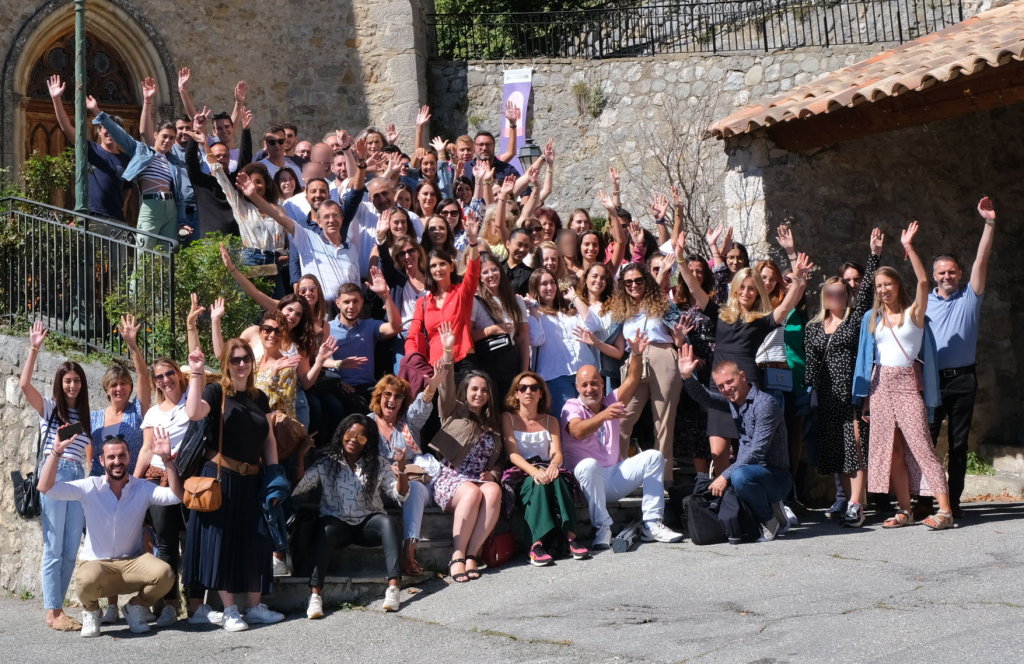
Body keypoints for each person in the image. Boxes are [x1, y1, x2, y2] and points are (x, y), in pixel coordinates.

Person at [676, 234, 812, 476]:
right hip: (718, 388)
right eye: (743, 287)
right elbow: (694, 288)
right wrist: (680, 260)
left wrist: (799, 277)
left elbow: (787, 305)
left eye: (752, 289)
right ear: (735, 289)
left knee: (750, 451)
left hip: (749, 388)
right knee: (718, 454)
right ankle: (723, 501)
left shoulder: (762, 320)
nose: (747, 292)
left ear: (757, 292)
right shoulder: (718, 312)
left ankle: (746, 500)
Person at [854, 222, 954, 530]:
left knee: (922, 446)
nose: (883, 289)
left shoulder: (914, 314)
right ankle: (905, 509)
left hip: (907, 385)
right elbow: (872, 359)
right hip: (879, 384)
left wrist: (908, 247)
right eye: (878, 286)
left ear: (898, 285)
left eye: (888, 284)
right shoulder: (873, 318)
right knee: (893, 448)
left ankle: (946, 511)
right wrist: (868, 398)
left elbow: (924, 280)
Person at [38, 429, 182, 637]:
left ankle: (135, 607)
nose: (117, 461)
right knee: (86, 579)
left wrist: (167, 459)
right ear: (102, 460)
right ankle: (92, 611)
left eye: (121, 456)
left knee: (166, 574)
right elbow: (46, 487)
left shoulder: (142, 488)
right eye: (111, 457)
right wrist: (56, 452)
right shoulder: (90, 487)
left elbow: (177, 496)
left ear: (129, 458)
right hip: (98, 565)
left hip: (131, 563)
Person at [183, 341, 284, 631]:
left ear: (252, 363)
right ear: (227, 363)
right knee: (223, 543)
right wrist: (196, 373)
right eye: (236, 359)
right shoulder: (217, 392)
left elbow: (268, 439)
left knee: (257, 540)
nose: (241, 364)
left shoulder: (260, 397)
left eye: (246, 359)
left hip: (252, 479)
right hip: (221, 477)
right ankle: (229, 610)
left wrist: (274, 475)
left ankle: (254, 607)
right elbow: (193, 413)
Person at [562, 334, 683, 549]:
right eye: (585, 385)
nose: (590, 389)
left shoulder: (610, 400)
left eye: (594, 383)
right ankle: (603, 527)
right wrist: (604, 415)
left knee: (654, 456)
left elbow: (633, 380)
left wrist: (636, 354)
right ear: (577, 387)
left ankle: (652, 523)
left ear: (602, 383)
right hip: (586, 484)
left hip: (614, 476)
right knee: (589, 465)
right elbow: (578, 431)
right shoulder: (571, 406)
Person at [293, 414, 409, 617]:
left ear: (368, 442)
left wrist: (401, 470)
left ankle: (393, 589)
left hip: (367, 524)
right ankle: (315, 596)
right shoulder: (327, 462)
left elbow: (399, 494)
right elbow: (300, 486)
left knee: (389, 523)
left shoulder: (378, 463)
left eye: (362, 437)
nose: (354, 439)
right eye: (350, 433)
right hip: (337, 524)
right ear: (342, 433)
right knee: (326, 529)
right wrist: (300, 455)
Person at [804, 229, 883, 527]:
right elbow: (811, 361)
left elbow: (865, 294)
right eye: (830, 293)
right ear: (824, 296)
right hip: (825, 394)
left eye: (841, 293)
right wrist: (809, 390)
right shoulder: (814, 326)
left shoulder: (855, 318)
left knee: (855, 446)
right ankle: (846, 501)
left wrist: (873, 255)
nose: (835, 296)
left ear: (847, 296)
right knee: (836, 450)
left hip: (850, 390)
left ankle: (856, 505)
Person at [19, 321, 93, 631]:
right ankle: (54, 611)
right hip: (55, 472)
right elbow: (24, 386)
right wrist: (34, 348)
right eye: (67, 381)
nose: (72, 385)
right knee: (53, 546)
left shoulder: (87, 417)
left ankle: (57, 610)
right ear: (60, 384)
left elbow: (89, 453)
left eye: (76, 380)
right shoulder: (50, 409)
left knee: (70, 547)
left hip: (77, 478)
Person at [677, 348, 792, 542]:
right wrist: (687, 376)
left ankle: (769, 520)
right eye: (721, 386)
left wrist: (725, 475)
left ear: (743, 376)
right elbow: (705, 397)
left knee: (738, 476)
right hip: (752, 474)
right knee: (733, 480)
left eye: (730, 381)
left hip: (776, 477)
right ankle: (770, 509)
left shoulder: (765, 404)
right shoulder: (734, 402)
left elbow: (757, 452)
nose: (726, 389)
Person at [926, 197, 995, 518]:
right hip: (931, 381)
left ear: (959, 273)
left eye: (951, 272)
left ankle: (952, 504)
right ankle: (926, 499)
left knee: (957, 445)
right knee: (925, 441)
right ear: (934, 275)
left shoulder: (971, 296)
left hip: (963, 380)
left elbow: (982, 260)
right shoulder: (923, 302)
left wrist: (989, 224)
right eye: (941, 272)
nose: (946, 276)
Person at [429, 323, 504, 582]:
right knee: (472, 492)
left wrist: (494, 474)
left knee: (493, 490)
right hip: (453, 478)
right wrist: (448, 349)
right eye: (474, 389)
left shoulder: (494, 425)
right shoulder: (453, 411)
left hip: (477, 479)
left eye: (484, 390)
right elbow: (446, 383)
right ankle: (457, 555)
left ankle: (472, 554)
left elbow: (499, 462)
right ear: (466, 391)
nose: (479, 394)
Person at [501, 372, 589, 566]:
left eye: (534, 387)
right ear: (516, 394)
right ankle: (536, 546)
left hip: (545, 467)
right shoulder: (508, 418)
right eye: (522, 388)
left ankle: (571, 538)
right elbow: (513, 454)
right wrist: (533, 471)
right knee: (538, 483)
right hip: (521, 472)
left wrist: (553, 466)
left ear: (541, 393)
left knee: (558, 479)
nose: (528, 391)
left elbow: (557, 453)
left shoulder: (551, 421)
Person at [606, 262, 682, 481]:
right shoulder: (621, 310)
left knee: (663, 422)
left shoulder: (663, 304)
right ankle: (618, 475)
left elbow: (678, 337)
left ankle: (661, 480)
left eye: (639, 280)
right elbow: (618, 348)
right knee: (621, 418)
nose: (633, 285)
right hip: (634, 360)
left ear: (646, 281)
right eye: (628, 282)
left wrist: (681, 338)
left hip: (662, 354)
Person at [369, 371, 447, 576]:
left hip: (412, 482)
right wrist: (387, 468)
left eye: (398, 396)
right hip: (380, 487)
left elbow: (421, 406)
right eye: (387, 394)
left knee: (413, 489)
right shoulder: (367, 423)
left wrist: (432, 387)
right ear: (379, 397)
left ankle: (409, 555)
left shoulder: (408, 423)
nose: (392, 400)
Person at [134, 357, 193, 627]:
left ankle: (195, 602)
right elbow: (146, 450)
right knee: (167, 543)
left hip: (190, 478)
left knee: (193, 541)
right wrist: (132, 484)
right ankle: (170, 604)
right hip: (159, 480)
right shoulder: (153, 413)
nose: (165, 379)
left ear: (179, 375)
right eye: (159, 377)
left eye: (170, 373)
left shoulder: (190, 403)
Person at [88, 88, 182, 245]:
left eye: (172, 138)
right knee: (144, 251)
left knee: (169, 252)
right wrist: (147, 101)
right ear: (156, 135)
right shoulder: (143, 151)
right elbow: (126, 133)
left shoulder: (174, 160)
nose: (168, 141)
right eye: (165, 136)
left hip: (171, 207)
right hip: (152, 203)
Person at [406, 215, 482, 379]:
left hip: (464, 361)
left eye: (442, 264)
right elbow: (412, 335)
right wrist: (415, 361)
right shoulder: (423, 303)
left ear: (451, 267)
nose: (438, 269)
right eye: (433, 265)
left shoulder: (462, 293)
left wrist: (473, 242)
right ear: (429, 271)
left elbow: (473, 271)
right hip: (436, 366)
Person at [46, 74, 130, 222]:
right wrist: (56, 99)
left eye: (115, 129)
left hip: (116, 221)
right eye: (106, 128)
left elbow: (127, 190)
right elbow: (66, 127)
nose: (110, 132)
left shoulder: (126, 159)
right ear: (99, 130)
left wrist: (119, 208)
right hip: (91, 217)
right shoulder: (91, 149)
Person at [527, 268, 598, 418]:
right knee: (568, 422)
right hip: (555, 375)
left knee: (591, 419)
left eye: (552, 282)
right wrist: (533, 307)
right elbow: (537, 339)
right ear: (535, 288)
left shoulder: (570, 311)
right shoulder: (534, 313)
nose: (549, 287)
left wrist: (575, 298)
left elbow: (593, 325)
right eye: (544, 284)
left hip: (583, 372)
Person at [326, 271, 402, 411]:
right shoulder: (327, 328)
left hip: (368, 387)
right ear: (338, 303)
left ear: (362, 302)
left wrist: (385, 295)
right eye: (346, 302)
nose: (351, 306)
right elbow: (320, 360)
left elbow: (396, 327)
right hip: (341, 387)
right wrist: (337, 378)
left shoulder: (369, 326)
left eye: (355, 301)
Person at [90, 315, 150, 476]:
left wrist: (132, 346)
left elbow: (144, 377)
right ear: (106, 388)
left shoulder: (138, 411)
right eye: (114, 384)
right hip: (100, 486)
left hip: (130, 486)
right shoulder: (94, 418)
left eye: (123, 383)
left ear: (131, 387)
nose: (119, 388)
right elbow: (90, 453)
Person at [472, 251, 531, 399]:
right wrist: (489, 331)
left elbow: (523, 339)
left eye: (494, 269)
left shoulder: (516, 301)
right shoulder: (476, 301)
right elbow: (467, 336)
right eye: (485, 272)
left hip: (510, 364)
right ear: (480, 277)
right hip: (486, 364)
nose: (491, 275)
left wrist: (523, 373)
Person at [375, 228, 428, 373]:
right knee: (403, 378)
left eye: (411, 251)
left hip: (429, 334)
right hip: (404, 335)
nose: (407, 256)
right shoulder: (397, 279)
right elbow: (385, 260)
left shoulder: (431, 280)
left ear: (418, 252)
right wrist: (381, 238)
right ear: (398, 258)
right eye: (402, 254)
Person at [503, 228, 535, 296]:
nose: (522, 249)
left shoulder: (531, 274)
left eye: (526, 246)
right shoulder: (497, 268)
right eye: (519, 245)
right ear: (508, 244)